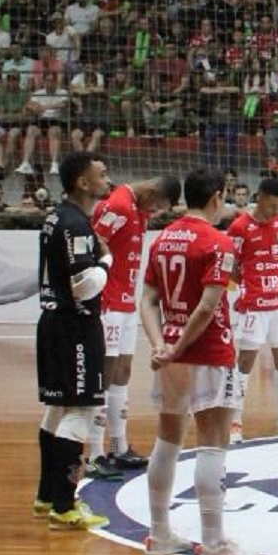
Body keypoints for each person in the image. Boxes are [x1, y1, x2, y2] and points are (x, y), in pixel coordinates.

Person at [138, 171, 252, 555]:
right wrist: (181, 346)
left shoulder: (163, 238)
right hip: (207, 348)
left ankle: (159, 533)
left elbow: (147, 300)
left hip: (169, 346)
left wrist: (161, 345)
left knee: (167, 439)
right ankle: (213, 544)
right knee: (213, 441)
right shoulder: (218, 242)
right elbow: (207, 307)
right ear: (217, 198)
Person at [32, 151, 114, 531]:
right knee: (80, 411)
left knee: (56, 409)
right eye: (101, 174)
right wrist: (107, 261)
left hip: (51, 323)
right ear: (82, 182)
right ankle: (64, 506)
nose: (106, 179)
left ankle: (47, 495)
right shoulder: (76, 225)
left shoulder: (55, 216)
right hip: (75, 327)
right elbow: (84, 286)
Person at [87, 173, 179, 478]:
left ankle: (119, 446)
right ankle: (96, 453)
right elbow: (93, 242)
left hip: (126, 303)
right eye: (159, 206)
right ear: (151, 192)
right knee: (106, 371)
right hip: (109, 303)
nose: (156, 213)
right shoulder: (119, 206)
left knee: (122, 372)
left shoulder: (136, 209)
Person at [226, 175, 278, 441]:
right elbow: (231, 265)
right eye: (272, 206)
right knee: (245, 363)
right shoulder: (239, 227)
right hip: (253, 305)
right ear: (259, 198)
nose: (276, 212)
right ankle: (234, 423)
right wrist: (248, 286)